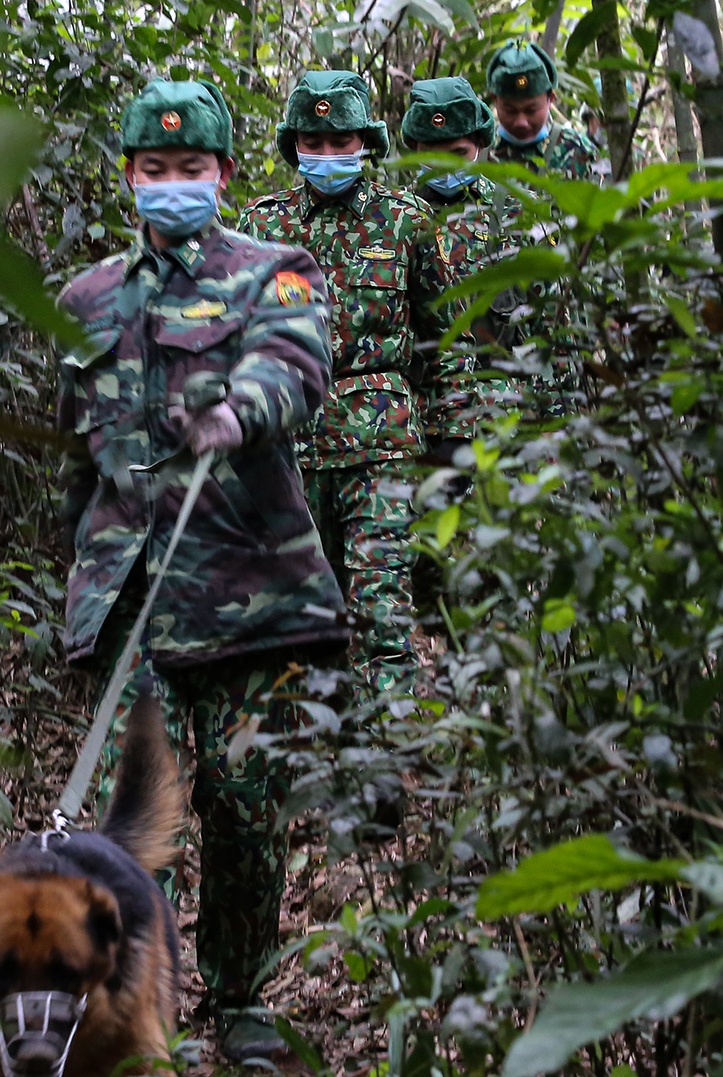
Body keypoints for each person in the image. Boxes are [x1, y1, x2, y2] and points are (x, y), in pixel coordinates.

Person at [54, 78, 346, 1061]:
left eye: (190, 167)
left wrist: (237, 410)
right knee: (143, 810)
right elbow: (76, 460)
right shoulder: (85, 300)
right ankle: (145, 1006)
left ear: (223, 173)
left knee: (246, 801)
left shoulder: (275, 273)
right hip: (134, 602)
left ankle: (241, 991)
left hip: (251, 598)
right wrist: (77, 591)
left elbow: (295, 367)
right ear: (129, 175)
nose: (172, 182)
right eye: (155, 168)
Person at [236, 70, 469, 703]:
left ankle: (386, 750)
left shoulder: (408, 222)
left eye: (342, 141)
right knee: (297, 620)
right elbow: (240, 339)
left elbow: (445, 340)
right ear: (294, 146)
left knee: (381, 613)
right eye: (313, 142)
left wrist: (452, 439)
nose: (328, 154)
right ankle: (315, 742)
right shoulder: (262, 226)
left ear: (366, 142)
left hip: (382, 451)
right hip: (288, 453)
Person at [401, 76, 523, 414]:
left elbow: (549, 329)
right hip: (422, 413)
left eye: (458, 153)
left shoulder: (515, 213)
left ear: (480, 143)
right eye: (432, 155)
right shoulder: (396, 217)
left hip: (503, 411)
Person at [486, 40, 605, 182]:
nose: (521, 122)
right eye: (510, 111)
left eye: (531, 110)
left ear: (550, 100)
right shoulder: (478, 150)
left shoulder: (580, 152)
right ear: (495, 100)